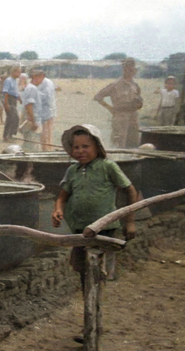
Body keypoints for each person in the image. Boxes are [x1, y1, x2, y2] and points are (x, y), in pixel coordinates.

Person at [51, 124, 138, 291]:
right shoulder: (72, 171)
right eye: (76, 147)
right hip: (79, 228)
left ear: (98, 147)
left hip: (104, 227)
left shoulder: (107, 167)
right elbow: (62, 196)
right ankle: (88, 300)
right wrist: (58, 210)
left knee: (98, 267)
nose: (80, 151)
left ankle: (98, 302)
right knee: (82, 267)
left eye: (85, 146)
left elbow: (130, 191)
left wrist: (130, 221)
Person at [94, 58, 143, 148]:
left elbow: (139, 99)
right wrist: (111, 109)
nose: (131, 71)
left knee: (133, 142)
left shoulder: (135, 85)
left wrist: (139, 104)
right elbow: (98, 97)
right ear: (124, 69)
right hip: (120, 116)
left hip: (133, 116)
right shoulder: (116, 84)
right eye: (128, 69)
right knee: (119, 142)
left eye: (133, 69)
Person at [32, 68, 57, 150]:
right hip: (41, 112)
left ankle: (46, 150)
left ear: (42, 76)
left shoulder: (47, 83)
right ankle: (45, 149)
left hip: (47, 112)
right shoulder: (40, 83)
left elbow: (47, 97)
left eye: (36, 78)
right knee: (43, 134)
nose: (34, 80)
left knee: (46, 134)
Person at [19, 73, 43, 153]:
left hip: (30, 120)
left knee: (29, 143)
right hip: (31, 121)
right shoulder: (32, 88)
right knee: (32, 146)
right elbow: (29, 106)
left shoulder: (29, 88)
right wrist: (33, 122)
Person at [2, 65, 22, 141]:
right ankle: (6, 136)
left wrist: (19, 99)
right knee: (11, 118)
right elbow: (6, 93)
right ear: (14, 72)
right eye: (18, 72)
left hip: (14, 100)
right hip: (9, 100)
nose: (20, 74)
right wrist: (6, 104)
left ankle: (11, 134)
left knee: (15, 118)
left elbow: (15, 91)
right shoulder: (8, 80)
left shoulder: (14, 81)